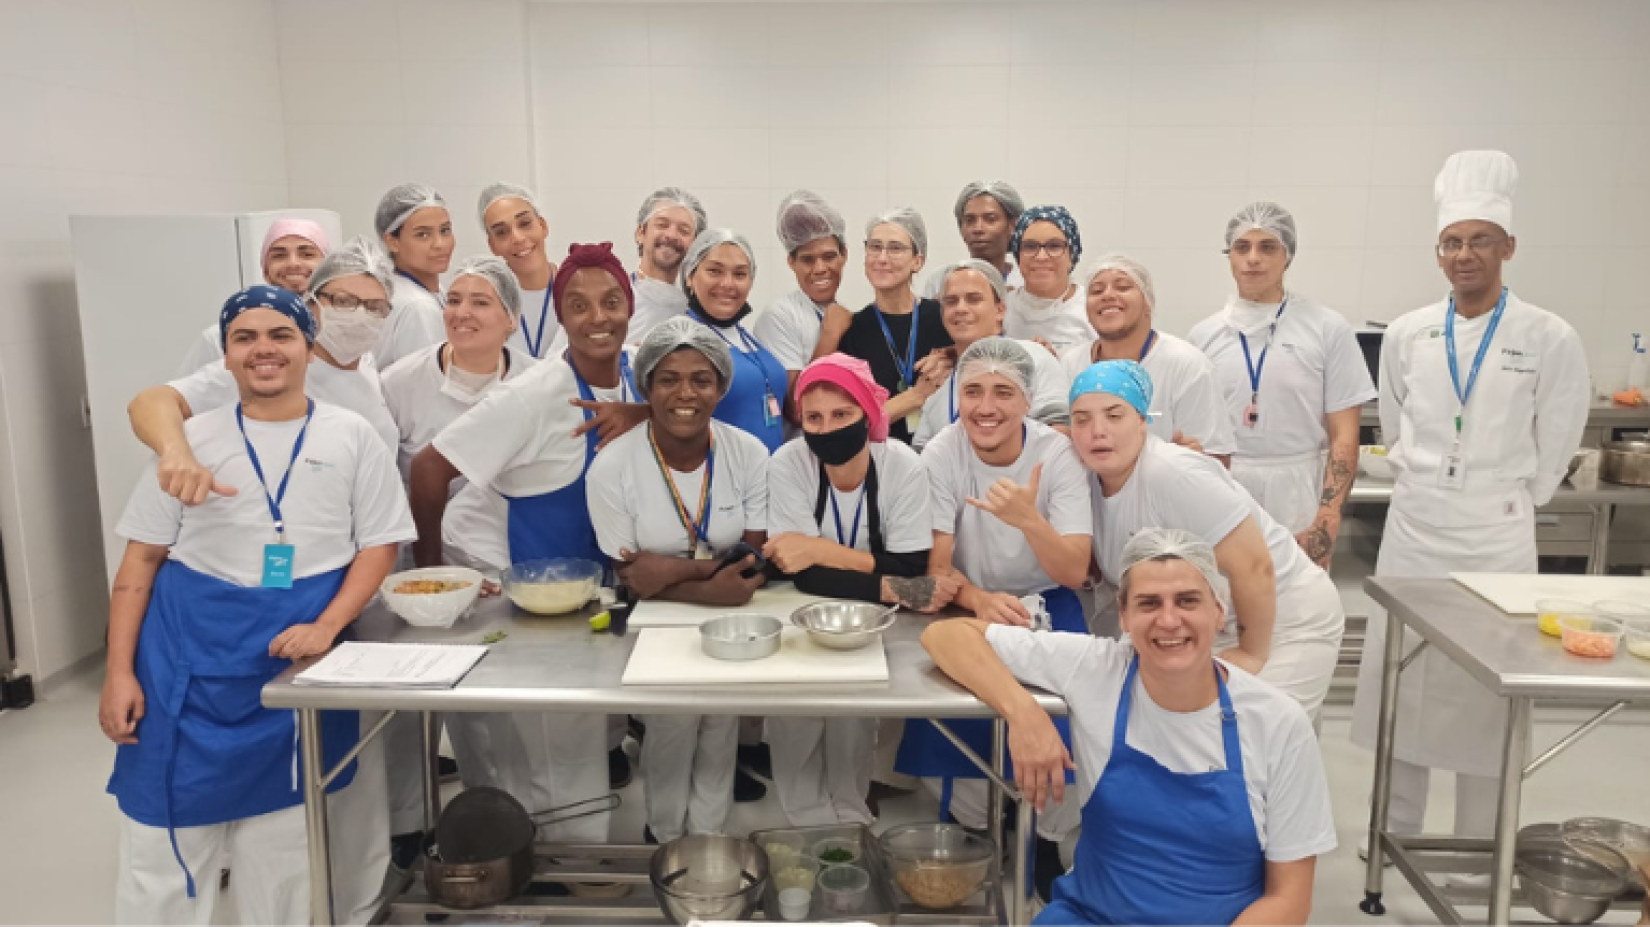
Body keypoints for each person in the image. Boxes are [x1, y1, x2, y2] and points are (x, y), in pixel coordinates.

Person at [100, 286, 416, 925]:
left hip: (297, 669)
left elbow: (379, 543)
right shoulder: (189, 442)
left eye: (280, 335)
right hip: (186, 671)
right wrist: (118, 673)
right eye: (245, 338)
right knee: (165, 855)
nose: (263, 350)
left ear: (307, 346)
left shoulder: (350, 436)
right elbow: (139, 567)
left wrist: (329, 625)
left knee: (287, 857)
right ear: (226, 354)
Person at [1350, 151, 1590, 856]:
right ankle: (1393, 824)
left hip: (1499, 537)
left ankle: (1482, 835)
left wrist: (1503, 496)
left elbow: (1559, 439)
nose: (1465, 254)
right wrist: (1433, 481)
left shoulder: (1549, 336)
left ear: (1508, 246)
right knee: (1405, 673)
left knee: (1492, 684)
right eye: (1452, 242)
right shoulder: (1410, 332)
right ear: (1438, 251)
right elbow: (1394, 426)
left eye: (1480, 239)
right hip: (1417, 530)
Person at [922, 528, 1335, 926]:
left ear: (1219, 610)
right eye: (1149, 603)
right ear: (1123, 615)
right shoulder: (1098, 669)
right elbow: (946, 635)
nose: (1169, 620)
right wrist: (1023, 712)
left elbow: (1289, 900)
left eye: (1187, 601)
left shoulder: (1278, 724)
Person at [411, 243, 648, 822]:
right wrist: (433, 570)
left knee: (587, 746)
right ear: (559, 316)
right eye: (579, 305)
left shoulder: (637, 371)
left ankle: (568, 862)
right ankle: (575, 877)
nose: (598, 317)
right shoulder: (533, 394)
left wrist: (641, 413)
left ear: (630, 307)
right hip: (547, 605)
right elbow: (428, 468)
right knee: (558, 754)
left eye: (611, 302)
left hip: (608, 602)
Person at [897, 338, 1093, 872]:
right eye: (973, 391)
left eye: (1003, 392)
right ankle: (974, 833)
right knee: (959, 728)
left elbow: (1074, 570)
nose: (986, 408)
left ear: (1027, 400)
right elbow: (936, 566)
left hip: (1048, 601)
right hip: (966, 600)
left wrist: (1027, 519)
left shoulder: (1057, 456)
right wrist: (978, 598)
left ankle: (1047, 841)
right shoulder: (942, 450)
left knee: (1064, 725)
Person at [1069, 361, 1345, 723]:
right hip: (1201, 621)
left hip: (1283, 619)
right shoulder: (1086, 481)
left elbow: (1253, 565)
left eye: (1114, 415)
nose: (1097, 431)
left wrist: (1251, 653)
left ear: (1142, 420)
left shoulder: (1171, 473)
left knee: (1257, 743)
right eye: (1081, 419)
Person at [587, 317, 772, 843]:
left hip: (732, 613)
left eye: (701, 379)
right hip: (653, 624)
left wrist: (673, 571)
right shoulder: (613, 467)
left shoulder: (749, 454)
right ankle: (666, 838)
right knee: (670, 725)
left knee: (720, 723)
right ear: (646, 387)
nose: (685, 393)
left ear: (721, 388)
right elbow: (631, 579)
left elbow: (753, 558)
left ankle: (710, 840)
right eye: (668, 379)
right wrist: (708, 581)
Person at [763, 354, 958, 826]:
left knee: (856, 719)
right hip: (802, 611)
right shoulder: (789, 464)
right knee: (797, 718)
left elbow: (912, 563)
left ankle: (850, 823)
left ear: (869, 413)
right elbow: (800, 573)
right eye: (814, 418)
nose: (827, 429)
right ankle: (804, 825)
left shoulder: (902, 467)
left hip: (870, 618)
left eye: (841, 415)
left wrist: (817, 548)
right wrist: (894, 586)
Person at [132, 238, 402, 501]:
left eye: (374, 307)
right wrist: (175, 452)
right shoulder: (271, 371)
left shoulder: (366, 366)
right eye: (343, 301)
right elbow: (151, 402)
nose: (359, 315)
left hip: (372, 531)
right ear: (311, 302)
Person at [1188, 202, 1376, 567]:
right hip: (1224, 486)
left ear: (1288, 256)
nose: (1253, 259)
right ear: (1229, 257)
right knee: (1223, 607)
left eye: (1267, 247)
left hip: (1298, 490)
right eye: (1242, 247)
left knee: (1298, 608)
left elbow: (1344, 435)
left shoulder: (1325, 328)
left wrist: (1327, 515)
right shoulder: (1203, 336)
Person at [381, 255, 534, 574]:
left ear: (511, 319)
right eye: (453, 300)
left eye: (480, 302)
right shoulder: (400, 383)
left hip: (511, 559)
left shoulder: (535, 382)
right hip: (424, 560)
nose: (461, 313)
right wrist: (431, 574)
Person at [1059, 253, 1236, 461]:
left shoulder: (1185, 363)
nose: (1107, 295)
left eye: (1123, 287)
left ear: (1147, 303)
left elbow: (1217, 458)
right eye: (1096, 291)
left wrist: (1195, 463)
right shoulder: (1070, 364)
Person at [818, 207, 954, 444]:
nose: (882, 258)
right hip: (880, 459)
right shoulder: (853, 330)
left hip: (944, 456)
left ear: (917, 261)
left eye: (895, 248)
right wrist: (915, 396)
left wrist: (954, 354)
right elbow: (845, 420)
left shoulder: (944, 318)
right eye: (874, 247)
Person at [910, 260, 1070, 450]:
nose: (960, 309)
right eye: (951, 301)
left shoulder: (1034, 357)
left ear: (1000, 310)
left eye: (973, 299)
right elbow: (921, 456)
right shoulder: (938, 379)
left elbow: (1060, 435)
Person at [680, 229, 789, 451]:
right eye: (714, 271)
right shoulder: (681, 339)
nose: (728, 284)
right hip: (723, 476)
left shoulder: (745, 337)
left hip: (769, 477)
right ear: (690, 276)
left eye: (740, 274)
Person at [178, 219, 330, 374]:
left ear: (328, 267)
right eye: (279, 256)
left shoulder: (340, 334)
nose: (293, 263)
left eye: (307, 254)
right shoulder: (216, 338)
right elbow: (180, 395)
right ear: (265, 270)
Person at [754, 190, 848, 405]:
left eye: (829, 256)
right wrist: (830, 336)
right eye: (808, 260)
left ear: (844, 255)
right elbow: (797, 407)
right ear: (791, 262)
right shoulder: (780, 315)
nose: (820, 269)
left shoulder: (842, 313)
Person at [478, 182, 562, 360]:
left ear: (543, 226)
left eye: (524, 224)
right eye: (501, 232)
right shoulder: (486, 302)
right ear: (492, 245)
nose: (517, 238)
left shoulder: (576, 290)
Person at [373, 183, 452, 369]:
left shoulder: (426, 290)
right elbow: (426, 385)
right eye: (423, 234)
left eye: (445, 230)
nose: (439, 244)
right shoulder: (417, 307)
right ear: (392, 242)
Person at [1003, 205, 1095, 353]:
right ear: (1017, 256)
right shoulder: (1002, 309)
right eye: (1030, 247)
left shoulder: (1092, 309)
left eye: (1054, 246)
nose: (1041, 257)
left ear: (1071, 256)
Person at [630, 186, 708, 341]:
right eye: (662, 225)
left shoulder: (694, 313)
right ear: (640, 233)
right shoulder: (613, 299)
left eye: (684, 230)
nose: (671, 235)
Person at [921, 180, 1026, 295]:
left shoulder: (1025, 283)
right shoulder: (940, 281)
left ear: (1012, 226)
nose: (978, 229)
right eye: (970, 220)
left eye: (990, 219)